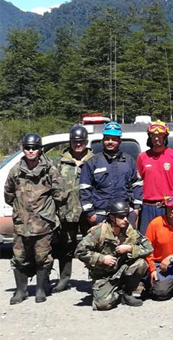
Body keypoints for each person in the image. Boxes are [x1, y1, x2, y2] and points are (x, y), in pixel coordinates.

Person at [5, 133, 63, 304]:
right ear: (23, 149)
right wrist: (20, 210)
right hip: (21, 224)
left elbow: (59, 194)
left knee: (42, 256)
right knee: (19, 257)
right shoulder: (16, 170)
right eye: (27, 148)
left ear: (40, 150)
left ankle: (40, 289)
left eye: (34, 148)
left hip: (43, 224)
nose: (31, 151)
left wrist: (47, 212)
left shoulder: (49, 170)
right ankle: (21, 291)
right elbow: (8, 194)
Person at [74, 201, 153, 310]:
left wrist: (130, 249)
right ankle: (116, 292)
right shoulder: (99, 231)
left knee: (141, 264)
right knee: (103, 305)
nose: (125, 219)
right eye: (121, 216)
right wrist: (102, 259)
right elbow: (79, 251)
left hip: (121, 269)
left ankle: (127, 293)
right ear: (111, 217)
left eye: (127, 215)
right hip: (104, 274)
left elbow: (149, 248)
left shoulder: (130, 230)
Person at [52, 125, 94, 293]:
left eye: (81, 141)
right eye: (75, 142)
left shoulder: (94, 160)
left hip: (88, 212)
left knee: (91, 246)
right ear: (70, 142)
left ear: (86, 142)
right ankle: (64, 279)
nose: (78, 145)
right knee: (66, 247)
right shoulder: (59, 162)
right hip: (67, 211)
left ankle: (95, 279)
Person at [79, 122, 142, 229]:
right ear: (103, 140)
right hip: (100, 216)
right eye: (107, 138)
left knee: (126, 245)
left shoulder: (129, 161)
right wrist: (90, 214)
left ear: (119, 141)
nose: (110, 142)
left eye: (114, 139)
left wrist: (135, 210)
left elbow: (137, 185)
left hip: (124, 216)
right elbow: (84, 189)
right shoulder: (93, 162)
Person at [136, 120, 173, 234]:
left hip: (168, 206)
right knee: (146, 240)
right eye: (153, 136)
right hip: (147, 207)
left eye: (160, 136)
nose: (157, 139)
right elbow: (137, 183)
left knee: (167, 239)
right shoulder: (142, 157)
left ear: (165, 137)